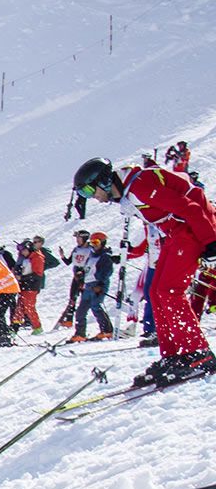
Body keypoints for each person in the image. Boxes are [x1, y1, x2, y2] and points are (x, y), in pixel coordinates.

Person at [75, 156, 216, 383]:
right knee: (155, 292)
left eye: (90, 191)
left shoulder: (140, 186)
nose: (93, 198)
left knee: (170, 292)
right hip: (175, 234)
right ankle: (173, 354)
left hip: (191, 230)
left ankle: (198, 352)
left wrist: (211, 243)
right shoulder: (131, 191)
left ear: (103, 181)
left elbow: (190, 207)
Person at [67, 233, 118, 342]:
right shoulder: (92, 254)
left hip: (98, 285)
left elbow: (107, 271)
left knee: (96, 306)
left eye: (96, 242)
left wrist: (100, 285)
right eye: (92, 242)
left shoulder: (105, 256)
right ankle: (80, 334)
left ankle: (107, 330)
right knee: (81, 310)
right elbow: (88, 269)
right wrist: (81, 275)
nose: (94, 245)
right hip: (88, 285)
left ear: (102, 243)